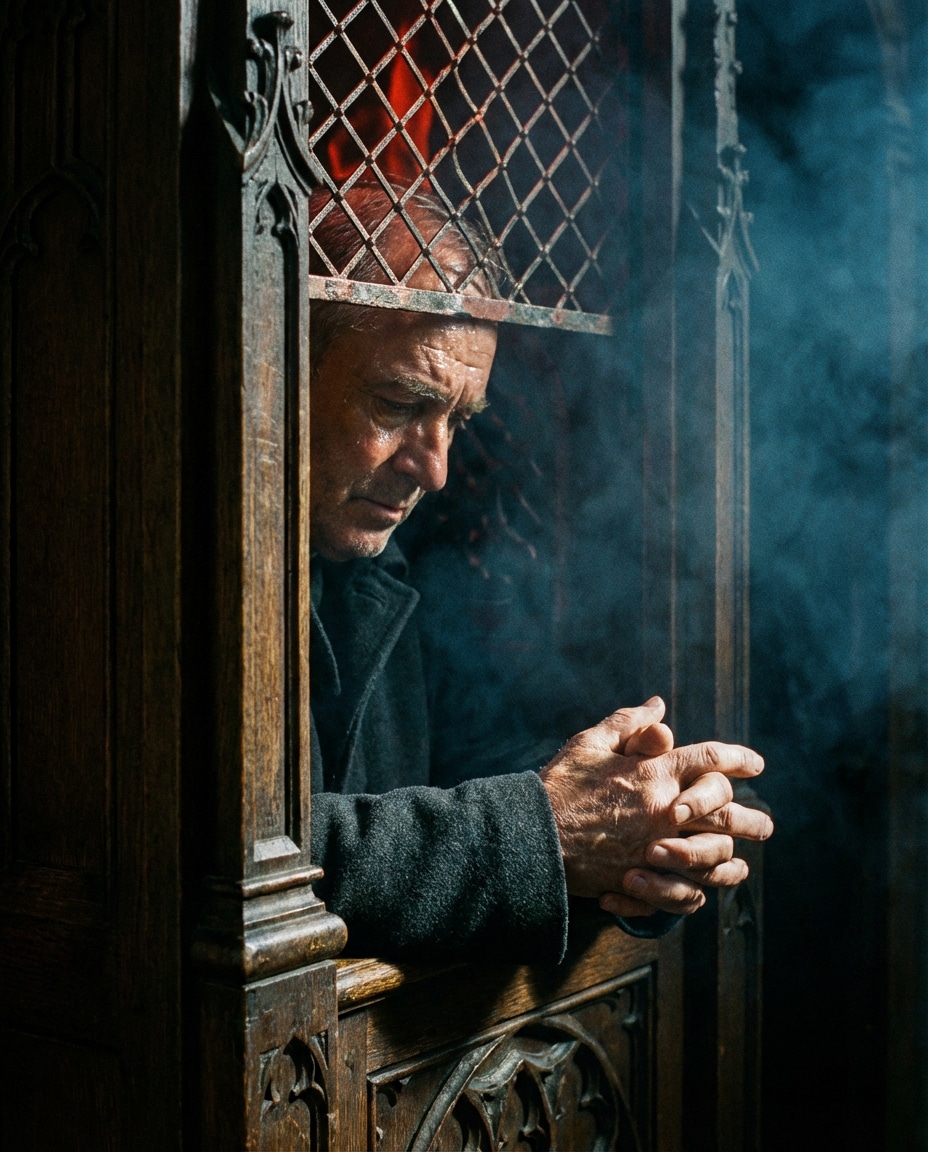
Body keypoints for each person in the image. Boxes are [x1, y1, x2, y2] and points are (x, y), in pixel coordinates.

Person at [308, 184, 773, 961]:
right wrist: (546, 838)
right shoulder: (159, 560)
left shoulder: (387, 567)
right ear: (275, 361)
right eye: (397, 403)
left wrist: (647, 821)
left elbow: (483, 760)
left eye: (458, 421)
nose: (436, 468)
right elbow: (236, 859)